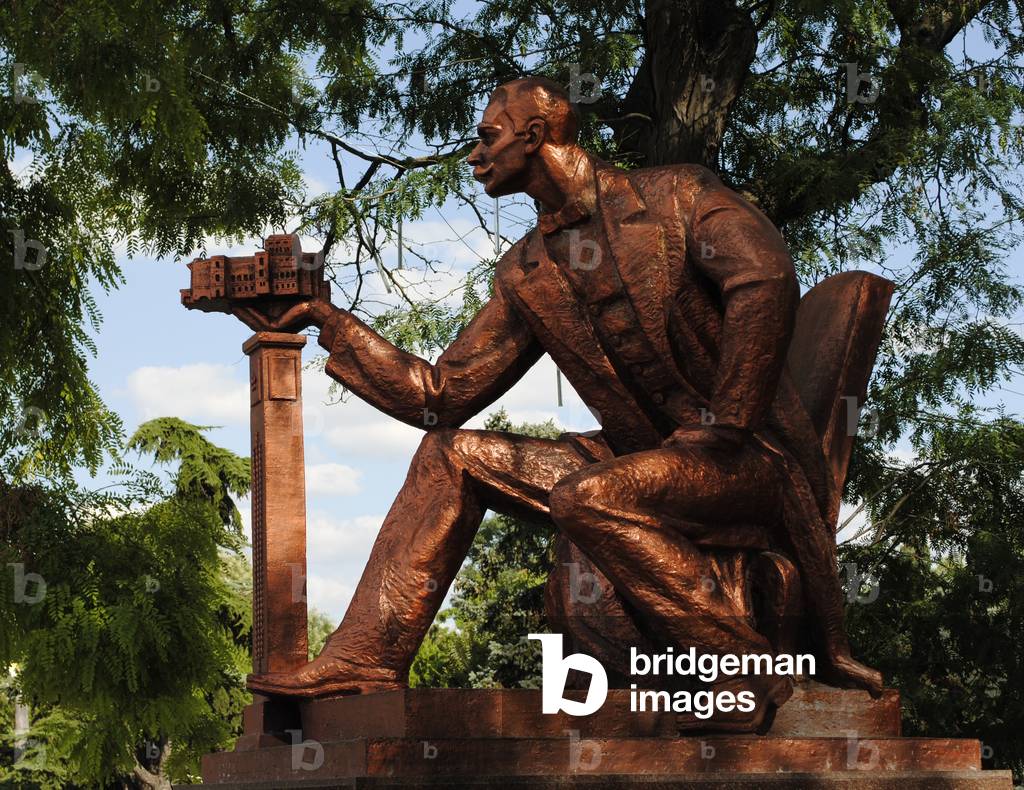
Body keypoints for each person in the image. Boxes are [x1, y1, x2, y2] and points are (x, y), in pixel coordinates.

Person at [230, 76, 881, 731]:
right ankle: (367, 657)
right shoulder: (525, 271)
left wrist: (728, 421)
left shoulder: (675, 197)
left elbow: (762, 275)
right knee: (450, 454)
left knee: (588, 496)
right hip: (634, 463)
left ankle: (742, 669)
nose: (475, 155)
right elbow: (441, 395)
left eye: (488, 137)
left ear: (537, 134)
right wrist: (327, 321)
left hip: (745, 462)